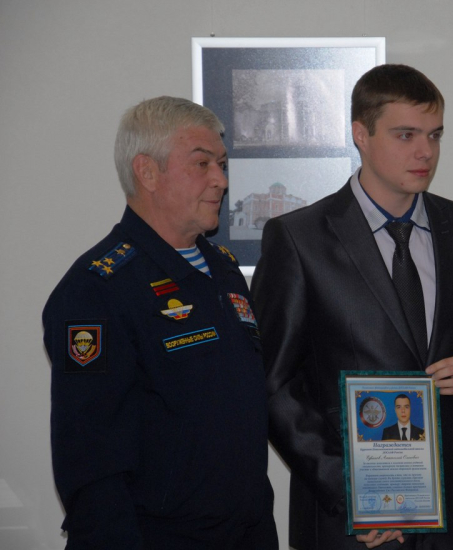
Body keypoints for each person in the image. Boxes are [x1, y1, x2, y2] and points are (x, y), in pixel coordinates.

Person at [251, 64, 453, 550]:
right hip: (351, 523)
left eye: (434, 135)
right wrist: (351, 493)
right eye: (406, 135)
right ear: (361, 134)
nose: (426, 152)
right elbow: (274, 385)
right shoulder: (298, 238)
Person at [43, 96, 278, 549]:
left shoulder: (223, 269)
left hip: (247, 533)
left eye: (222, 164)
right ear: (147, 172)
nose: (221, 180)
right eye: (202, 163)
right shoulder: (97, 288)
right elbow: (90, 459)